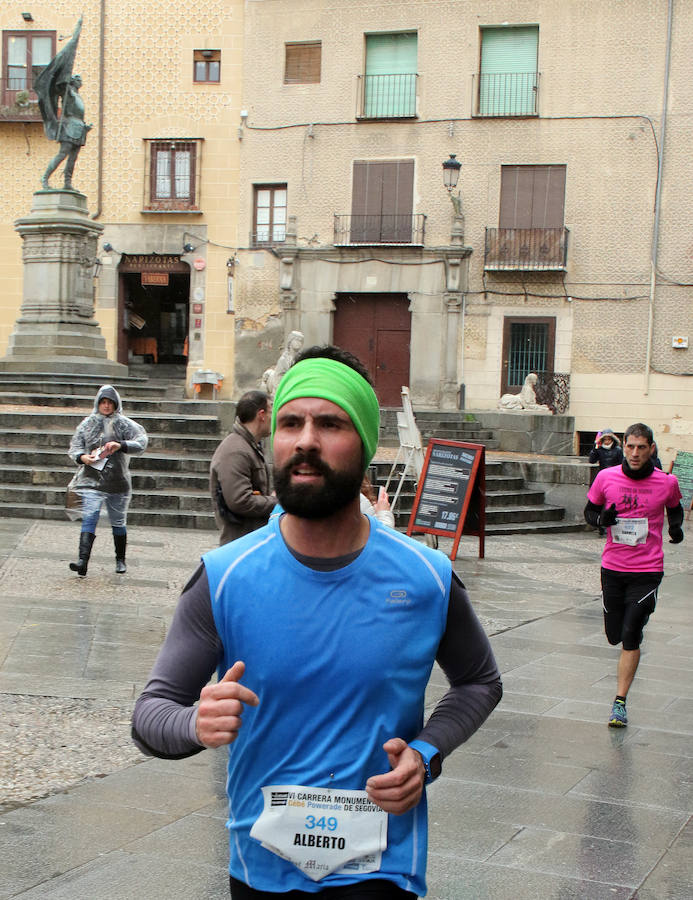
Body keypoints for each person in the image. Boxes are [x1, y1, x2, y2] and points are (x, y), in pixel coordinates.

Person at [132, 345, 502, 899]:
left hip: (382, 866)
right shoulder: (225, 576)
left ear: (366, 446)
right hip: (262, 870)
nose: (305, 439)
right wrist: (194, 724)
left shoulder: (426, 575)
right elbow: (150, 714)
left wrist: (425, 754)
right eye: (290, 423)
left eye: (329, 423)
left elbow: (479, 681)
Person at [584, 422, 684, 728]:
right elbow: (589, 512)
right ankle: (626, 633)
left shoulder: (666, 482)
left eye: (642, 447)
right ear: (623, 446)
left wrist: (676, 528)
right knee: (615, 635)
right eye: (630, 446)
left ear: (651, 449)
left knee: (630, 634)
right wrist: (602, 518)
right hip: (613, 567)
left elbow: (675, 508)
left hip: (648, 569)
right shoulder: (605, 477)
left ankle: (619, 702)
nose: (635, 453)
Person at [67, 385, 148, 576]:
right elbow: (75, 446)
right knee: (89, 518)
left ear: (115, 404)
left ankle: (120, 560)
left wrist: (121, 445)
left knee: (118, 521)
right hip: (91, 480)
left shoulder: (124, 424)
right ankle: (82, 561)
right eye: (103, 402)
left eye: (109, 403)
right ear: (98, 403)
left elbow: (142, 442)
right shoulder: (87, 424)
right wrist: (82, 457)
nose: (105, 406)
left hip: (117, 481)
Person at [209, 390, 275, 545]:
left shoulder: (249, 446)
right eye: (272, 411)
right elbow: (240, 501)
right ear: (262, 415)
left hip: (251, 539)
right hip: (240, 542)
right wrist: (277, 501)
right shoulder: (236, 450)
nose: (275, 418)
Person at [39, 74, 92, 190]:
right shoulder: (68, 92)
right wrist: (65, 76)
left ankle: (67, 182)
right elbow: (60, 85)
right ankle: (45, 178)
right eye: (79, 80)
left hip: (79, 127)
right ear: (74, 82)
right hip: (69, 127)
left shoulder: (78, 95)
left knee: (73, 158)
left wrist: (85, 127)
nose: (81, 82)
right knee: (62, 154)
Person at [588, 429, 623, 535]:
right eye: (605, 439)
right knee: (600, 501)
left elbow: (621, 463)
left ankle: (611, 521)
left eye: (609, 439)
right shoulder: (599, 449)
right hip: (602, 478)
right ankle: (601, 524)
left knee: (613, 501)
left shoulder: (617, 450)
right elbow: (592, 460)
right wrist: (595, 448)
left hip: (615, 478)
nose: (607, 441)